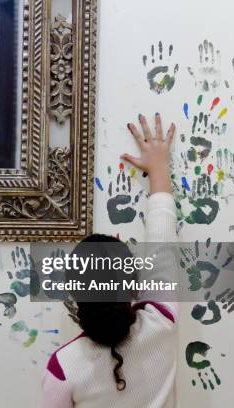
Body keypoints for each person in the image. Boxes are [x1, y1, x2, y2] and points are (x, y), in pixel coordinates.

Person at [38, 114, 178, 408]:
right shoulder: (162, 324)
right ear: (133, 285)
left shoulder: (64, 368)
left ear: (75, 295)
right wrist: (159, 168)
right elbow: (162, 244)